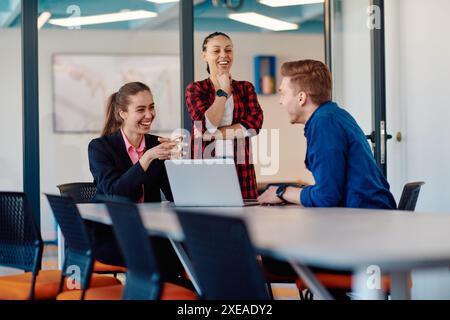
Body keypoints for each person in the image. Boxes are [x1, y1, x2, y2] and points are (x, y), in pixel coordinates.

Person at [258, 59, 396, 209]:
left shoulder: (324, 124)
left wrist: (282, 192)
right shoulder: (334, 115)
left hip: (367, 219)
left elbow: (327, 197)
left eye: (283, 94)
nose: (281, 101)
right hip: (370, 214)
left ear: (301, 98)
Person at [88, 81, 186, 285]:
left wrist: (177, 165)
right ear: (123, 113)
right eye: (141, 109)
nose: (149, 115)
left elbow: (174, 195)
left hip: (150, 231)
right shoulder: (100, 147)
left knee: (189, 249)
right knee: (164, 255)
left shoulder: (155, 144)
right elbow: (114, 192)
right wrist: (146, 159)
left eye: (151, 107)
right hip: (113, 234)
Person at [186, 32, 264, 199]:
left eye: (228, 50)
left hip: (241, 171)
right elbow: (206, 124)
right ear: (204, 56)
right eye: (216, 51)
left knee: (242, 221)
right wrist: (223, 92)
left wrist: (210, 134)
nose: (224, 55)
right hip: (204, 169)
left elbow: (254, 125)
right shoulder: (195, 89)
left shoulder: (245, 88)